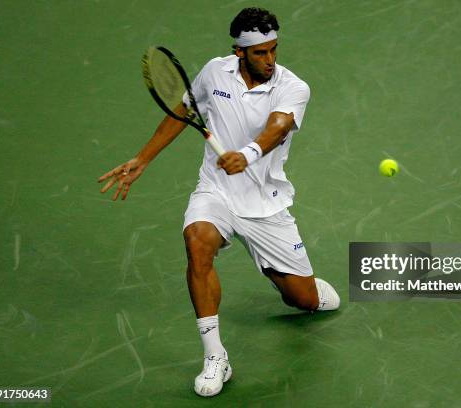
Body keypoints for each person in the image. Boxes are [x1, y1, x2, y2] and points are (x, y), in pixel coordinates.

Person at [98, 7, 340, 398]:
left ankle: (307, 289)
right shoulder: (214, 72)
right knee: (197, 242)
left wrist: (246, 154)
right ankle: (216, 356)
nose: (270, 60)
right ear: (239, 52)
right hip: (217, 193)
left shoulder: (293, 87)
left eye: (274, 50)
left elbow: (277, 129)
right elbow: (183, 112)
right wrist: (142, 159)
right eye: (260, 53)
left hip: (267, 206)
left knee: (302, 299)